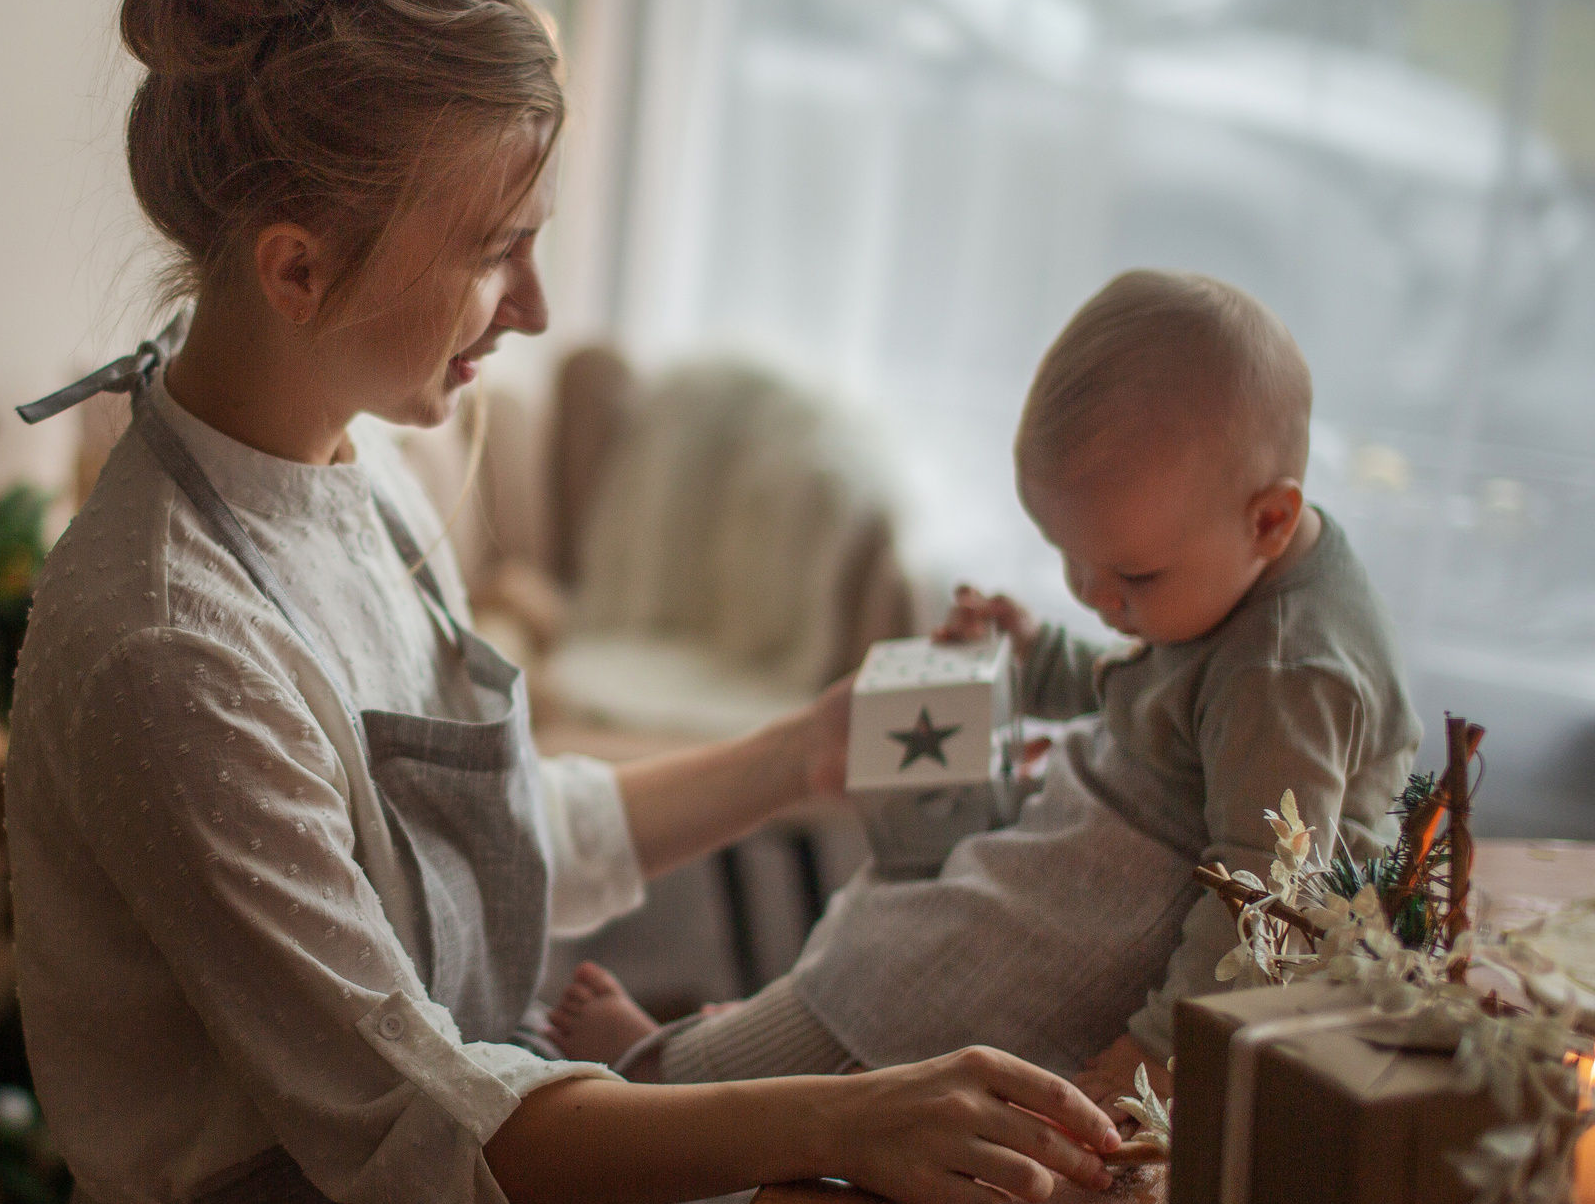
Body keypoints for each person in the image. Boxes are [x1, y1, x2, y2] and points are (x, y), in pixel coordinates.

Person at [5, 0, 1120, 1204]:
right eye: (494, 249)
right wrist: (844, 1112)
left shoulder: (353, 468)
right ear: (298, 268)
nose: (531, 304)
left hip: (452, 1188)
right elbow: (421, 1119)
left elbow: (488, 826)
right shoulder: (171, 653)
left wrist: (804, 754)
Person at [548, 270, 1423, 1114]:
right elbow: (1161, 693)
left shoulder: (1289, 674)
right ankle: (788, 1043)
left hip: (1139, 901)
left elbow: (1266, 900)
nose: (1094, 595)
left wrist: (1154, 1057)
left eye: (1128, 574)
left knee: (919, 960)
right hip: (1101, 821)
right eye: (1068, 558)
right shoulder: (1231, 564)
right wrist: (1039, 657)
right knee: (900, 899)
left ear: (1269, 517)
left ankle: (678, 1077)